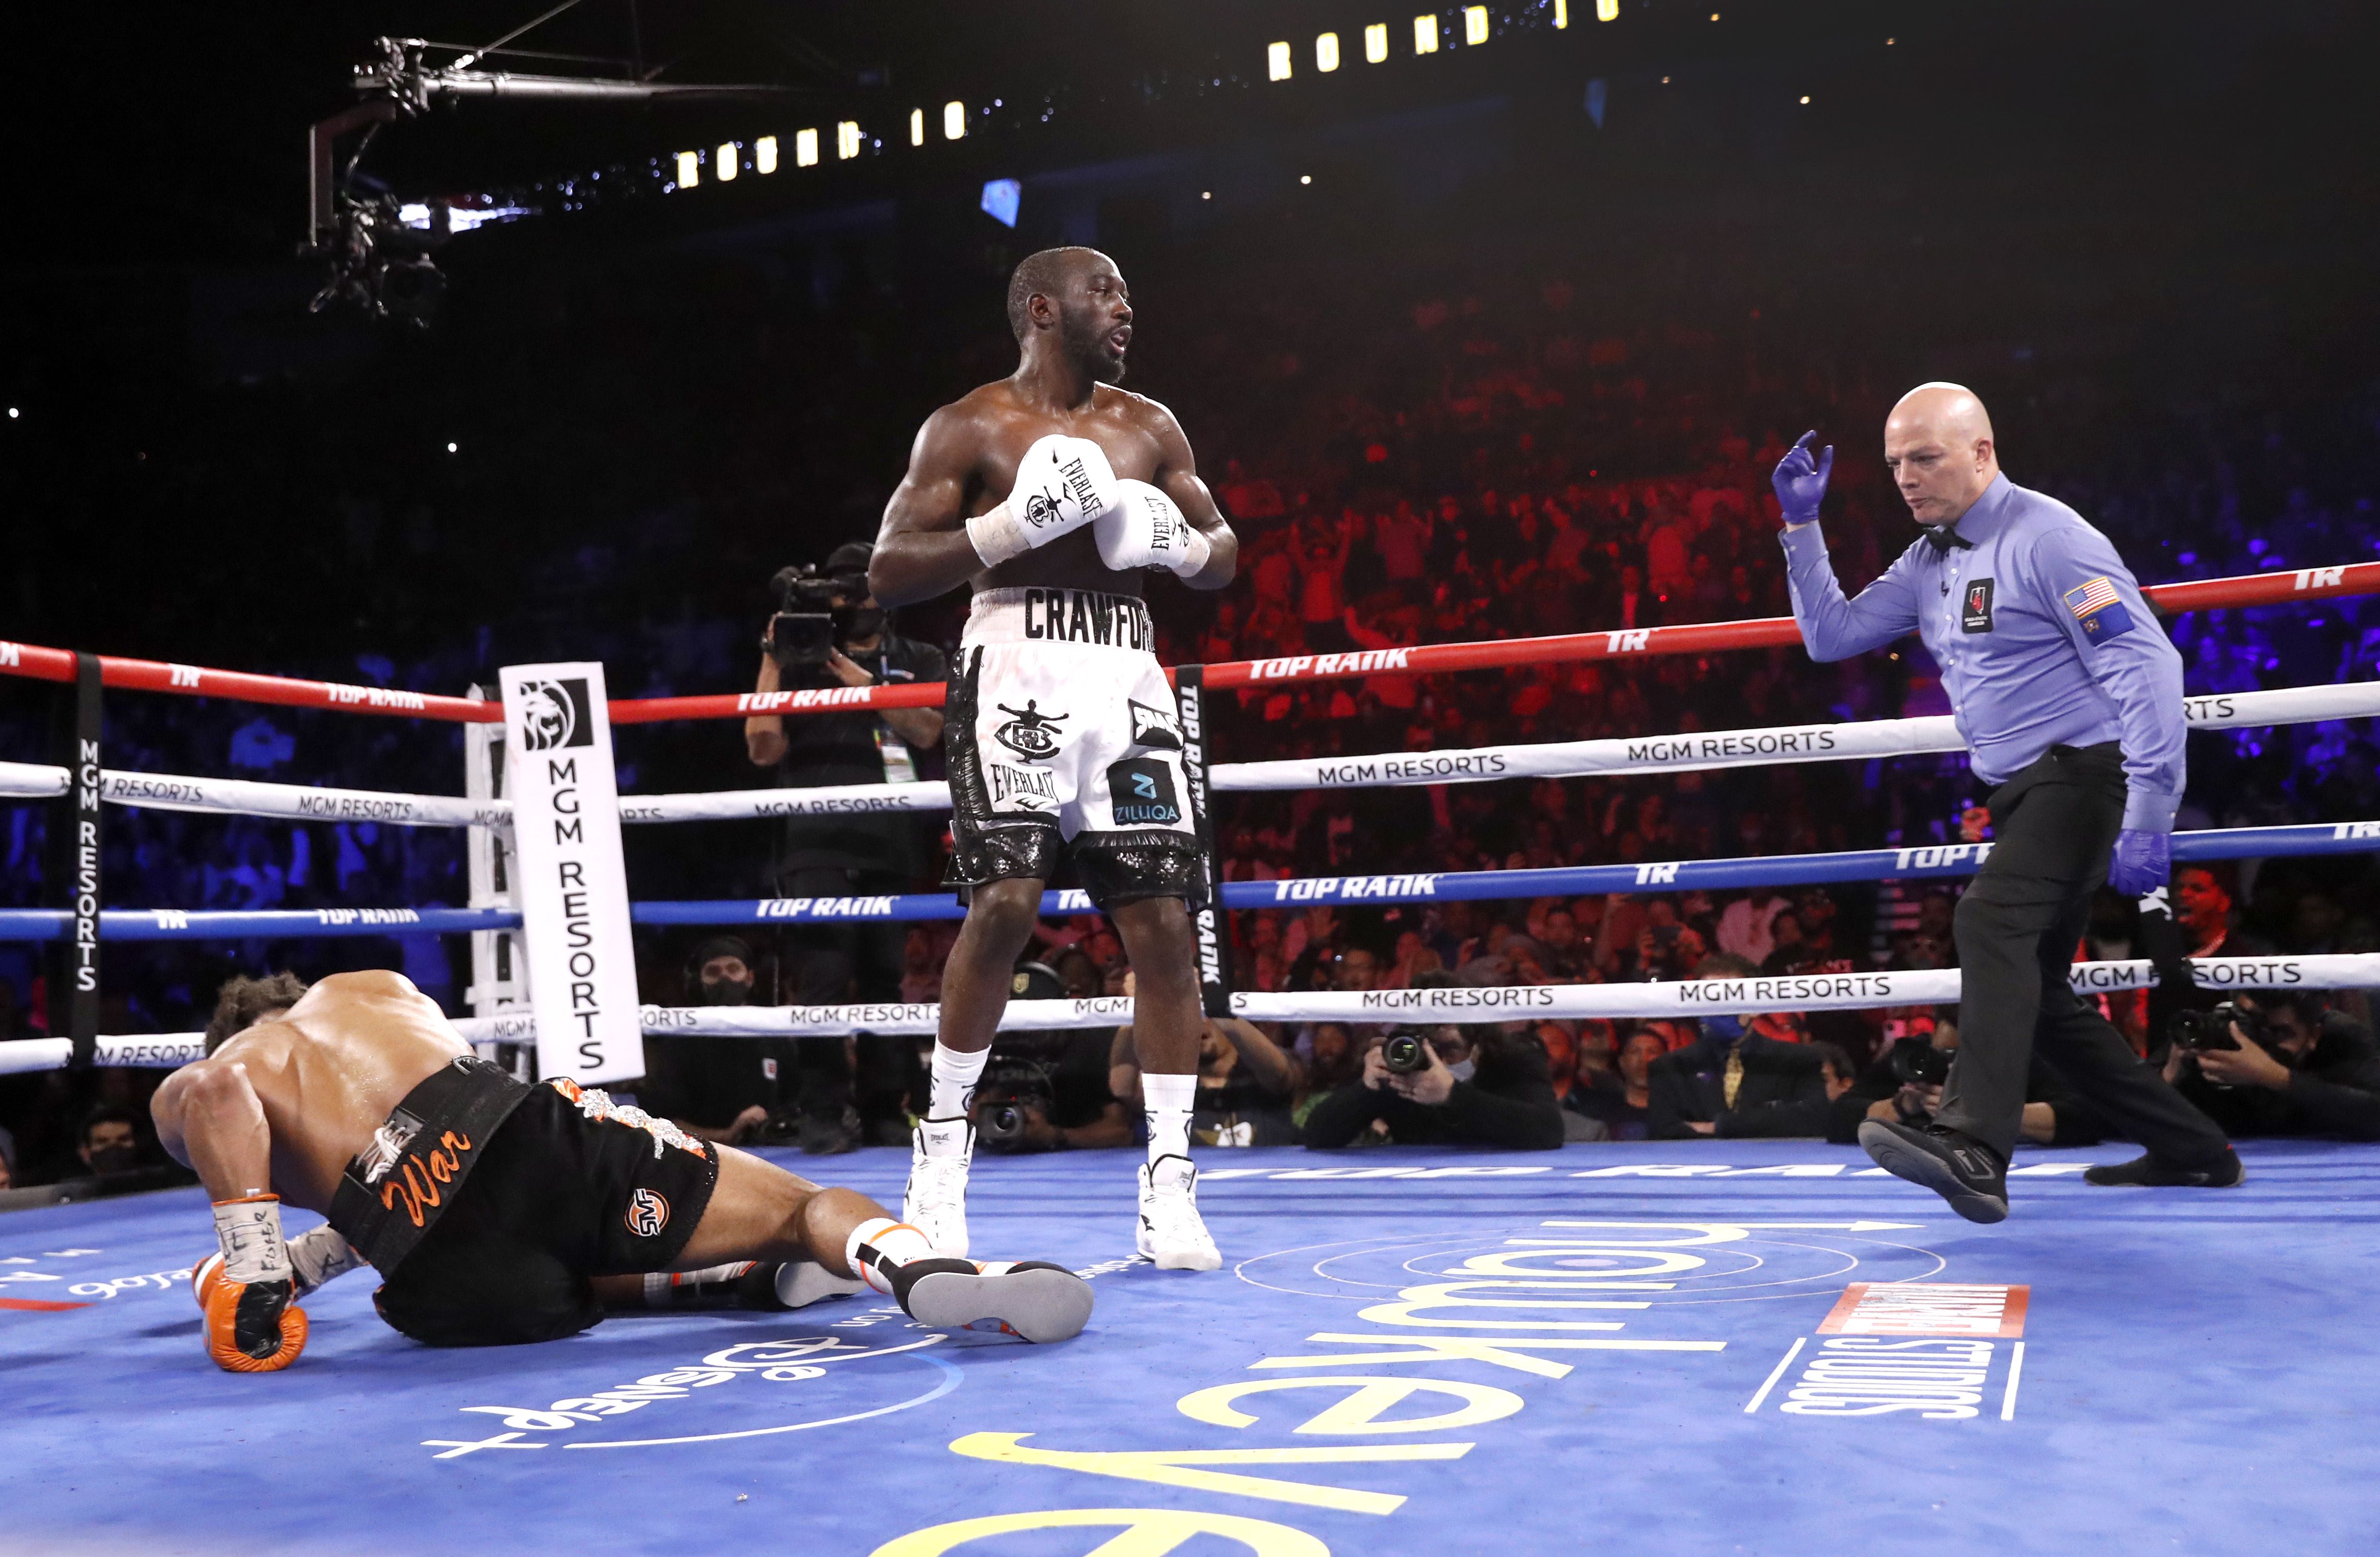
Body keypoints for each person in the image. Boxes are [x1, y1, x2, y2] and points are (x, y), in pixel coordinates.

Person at [1774, 383, 2238, 1220]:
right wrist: (1801, 526)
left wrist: (2149, 809)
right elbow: (1830, 635)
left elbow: (2146, 665)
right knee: (2041, 993)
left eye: (1925, 457)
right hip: (2021, 792)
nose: (1906, 478)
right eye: (1894, 463)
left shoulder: (2049, 539)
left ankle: (1974, 1146)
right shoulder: (1929, 558)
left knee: (1988, 923)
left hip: (2083, 773)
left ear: (1981, 452)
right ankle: (2193, 1149)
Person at [867, 245, 1239, 1269]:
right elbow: (889, 569)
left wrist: (1176, 543)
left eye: (1126, 290)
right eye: (1103, 291)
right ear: (1042, 309)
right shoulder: (970, 424)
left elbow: (1223, 552)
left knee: (1163, 921)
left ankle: (1170, 1178)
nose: (1125, 306)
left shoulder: (1149, 425)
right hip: (1014, 664)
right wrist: (1006, 528)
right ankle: (941, 1159)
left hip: (1125, 674)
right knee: (1004, 905)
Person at [151, 970, 1089, 1372]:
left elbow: (222, 1095)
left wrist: (259, 1264)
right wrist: (273, 1265)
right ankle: (913, 1269)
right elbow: (433, 1140)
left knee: (555, 1274)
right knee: (799, 1205)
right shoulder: (370, 991)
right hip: (523, 1139)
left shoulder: (225, 1072)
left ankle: (741, 1285)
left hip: (443, 1274)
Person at [745, 540, 942, 1153]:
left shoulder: (918, 657)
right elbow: (762, 748)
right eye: (841, 591)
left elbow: (929, 731)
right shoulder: (798, 659)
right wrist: (774, 657)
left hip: (891, 838)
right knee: (824, 979)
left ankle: (885, 1108)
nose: (853, 601)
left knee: (885, 979)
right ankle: (824, 1112)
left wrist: (867, 686)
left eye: (861, 587)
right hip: (815, 840)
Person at [2141, 991, 2380, 1146]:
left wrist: (2274, 1076)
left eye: (2279, 1033)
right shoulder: (2212, 1035)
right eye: (2252, 1026)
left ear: (2314, 1035)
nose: (2258, 1046)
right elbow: (2123, 1114)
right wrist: (2168, 1077)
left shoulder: (2341, 1039)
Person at [635, 936, 797, 1147]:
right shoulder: (681, 1042)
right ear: (701, 982)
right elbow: (666, 1121)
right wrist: (726, 1135)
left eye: (733, 969)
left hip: (773, 1151)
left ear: (750, 978)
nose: (725, 979)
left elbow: (794, 1103)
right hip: (703, 1153)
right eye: (713, 972)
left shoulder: (773, 1035)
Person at [1646, 958, 1831, 1138]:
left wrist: (1721, 1126)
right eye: (1709, 999)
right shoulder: (1670, 1068)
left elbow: (1810, 1120)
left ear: (1756, 1007)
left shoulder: (1797, 1061)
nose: (1717, 1009)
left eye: (1727, 998)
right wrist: (1765, 1121)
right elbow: (1665, 1130)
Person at [1300, 1024, 1565, 1151]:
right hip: (1415, 1203)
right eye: (1431, 1050)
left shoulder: (1508, 1059)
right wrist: (1365, 1089)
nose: (1439, 1063)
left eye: (1450, 1049)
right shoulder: (1402, 1069)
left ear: (1477, 1047)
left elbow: (1549, 1130)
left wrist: (1453, 1095)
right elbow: (1315, 1137)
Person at [1114, 1014, 1305, 1148]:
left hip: (1269, 1188)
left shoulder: (1263, 1068)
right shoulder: (1171, 1082)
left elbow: (1281, 1075)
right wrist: (1136, 1007)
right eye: (1192, 1013)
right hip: (1195, 1190)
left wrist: (1220, 1005)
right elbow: (1122, 1088)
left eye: (1206, 1013)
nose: (1200, 1021)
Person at [1570, 1026, 1664, 1141]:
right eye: (1634, 1052)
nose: (1643, 1060)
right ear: (1622, 1062)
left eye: (1653, 1052)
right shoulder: (1595, 1112)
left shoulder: (1679, 1112)